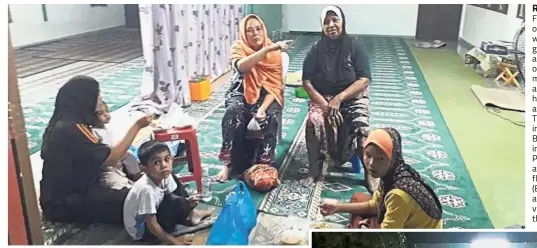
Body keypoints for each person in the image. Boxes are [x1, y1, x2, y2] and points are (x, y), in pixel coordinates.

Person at [39, 75, 153, 224]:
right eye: (97, 94)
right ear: (85, 99)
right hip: (67, 203)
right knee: (143, 198)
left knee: (151, 183)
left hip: (68, 194)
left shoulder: (63, 121)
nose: (100, 98)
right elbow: (112, 158)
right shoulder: (73, 128)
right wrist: (137, 125)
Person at [300, 5, 374, 190]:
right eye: (326, 22)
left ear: (343, 22)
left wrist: (339, 98)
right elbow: (306, 82)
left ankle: (370, 173)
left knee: (361, 125)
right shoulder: (316, 49)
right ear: (322, 27)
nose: (331, 25)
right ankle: (313, 169)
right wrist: (326, 104)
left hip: (352, 97)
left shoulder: (354, 46)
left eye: (335, 20)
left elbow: (364, 78)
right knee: (313, 122)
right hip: (322, 98)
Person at [215, 14, 292, 182]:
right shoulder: (239, 47)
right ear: (244, 33)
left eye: (258, 29)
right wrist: (266, 50)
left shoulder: (274, 53)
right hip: (241, 92)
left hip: (267, 96)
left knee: (270, 117)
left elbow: (275, 86)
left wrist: (262, 109)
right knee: (233, 112)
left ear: (263, 30)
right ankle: (229, 164)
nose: (255, 33)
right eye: (249, 30)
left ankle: (265, 165)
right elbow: (242, 67)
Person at [320, 128, 444, 229]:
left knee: (360, 228)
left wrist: (364, 226)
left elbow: (387, 240)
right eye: (368, 155)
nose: (371, 163)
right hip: (404, 218)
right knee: (358, 198)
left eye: (380, 158)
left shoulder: (398, 195)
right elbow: (375, 205)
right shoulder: (393, 173)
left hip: (420, 238)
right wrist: (337, 208)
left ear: (392, 158)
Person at [123, 140, 214, 245]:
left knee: (178, 193)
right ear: (144, 168)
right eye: (157, 162)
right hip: (142, 231)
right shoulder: (147, 190)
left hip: (153, 212)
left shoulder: (163, 174)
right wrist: (175, 242)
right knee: (177, 205)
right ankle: (172, 232)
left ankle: (193, 214)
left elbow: (172, 195)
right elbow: (152, 225)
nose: (164, 165)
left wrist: (186, 202)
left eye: (167, 159)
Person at [91, 101, 143, 190]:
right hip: (105, 169)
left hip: (115, 162)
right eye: (101, 113)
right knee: (115, 180)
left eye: (107, 111)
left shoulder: (105, 128)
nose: (106, 115)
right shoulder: (93, 132)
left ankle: (137, 175)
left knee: (128, 155)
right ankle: (128, 188)